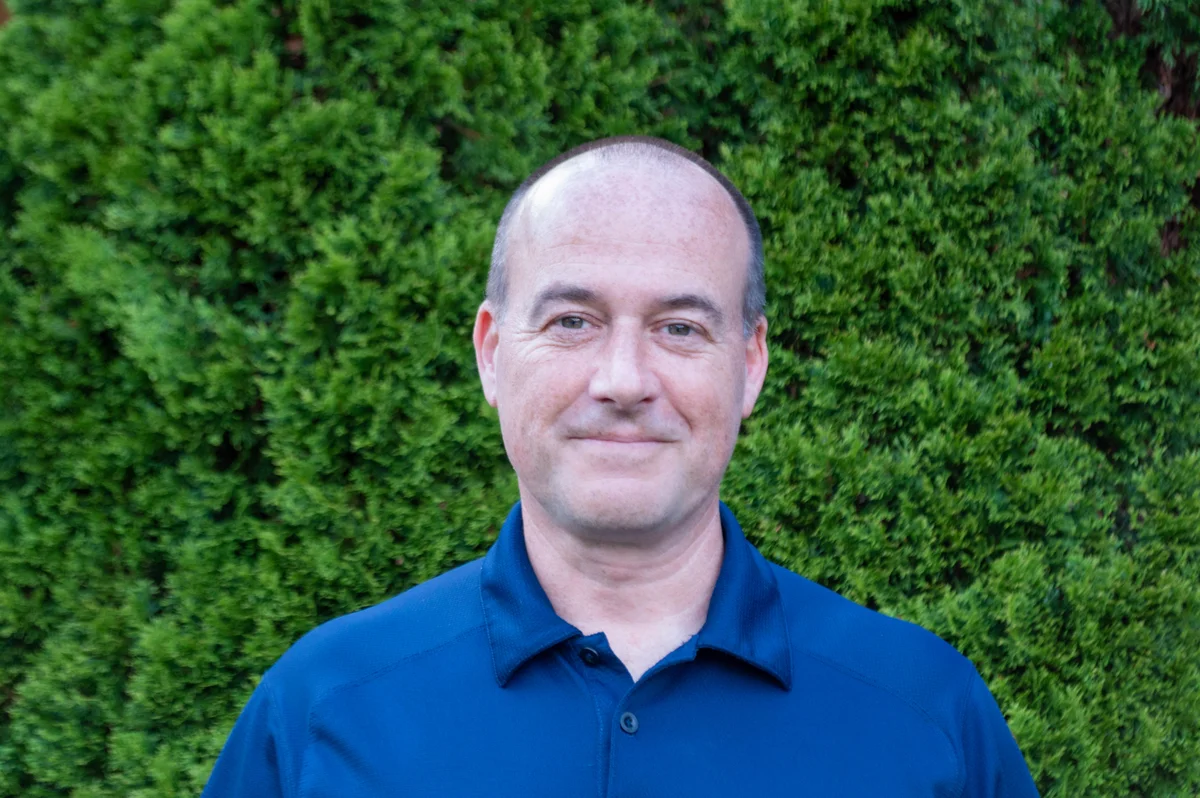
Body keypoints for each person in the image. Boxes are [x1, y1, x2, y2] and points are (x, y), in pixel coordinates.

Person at [202, 136, 1040, 796]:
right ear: (492, 354)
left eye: (680, 328)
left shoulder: (925, 714)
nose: (624, 380)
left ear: (750, 365)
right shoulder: (323, 709)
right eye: (572, 321)